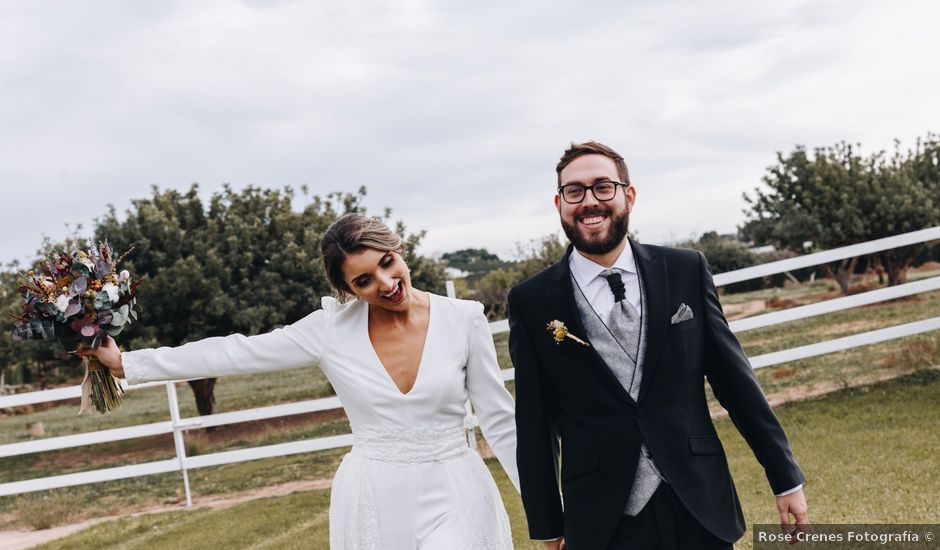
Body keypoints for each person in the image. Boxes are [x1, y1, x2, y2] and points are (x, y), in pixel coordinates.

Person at [81, 213, 520, 550]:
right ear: (347, 288)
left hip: (456, 487)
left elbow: (500, 420)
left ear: (399, 250)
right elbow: (237, 351)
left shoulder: (464, 319)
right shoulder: (330, 330)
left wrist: (548, 513)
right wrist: (128, 365)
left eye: (388, 263)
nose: (386, 284)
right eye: (364, 280)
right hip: (374, 494)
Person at [508, 141, 808, 550]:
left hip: (699, 501)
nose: (589, 201)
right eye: (574, 191)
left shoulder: (685, 270)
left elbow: (735, 382)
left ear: (628, 196)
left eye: (603, 187)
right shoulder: (531, 301)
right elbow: (534, 421)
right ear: (559, 203)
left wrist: (784, 475)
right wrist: (547, 522)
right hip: (602, 518)